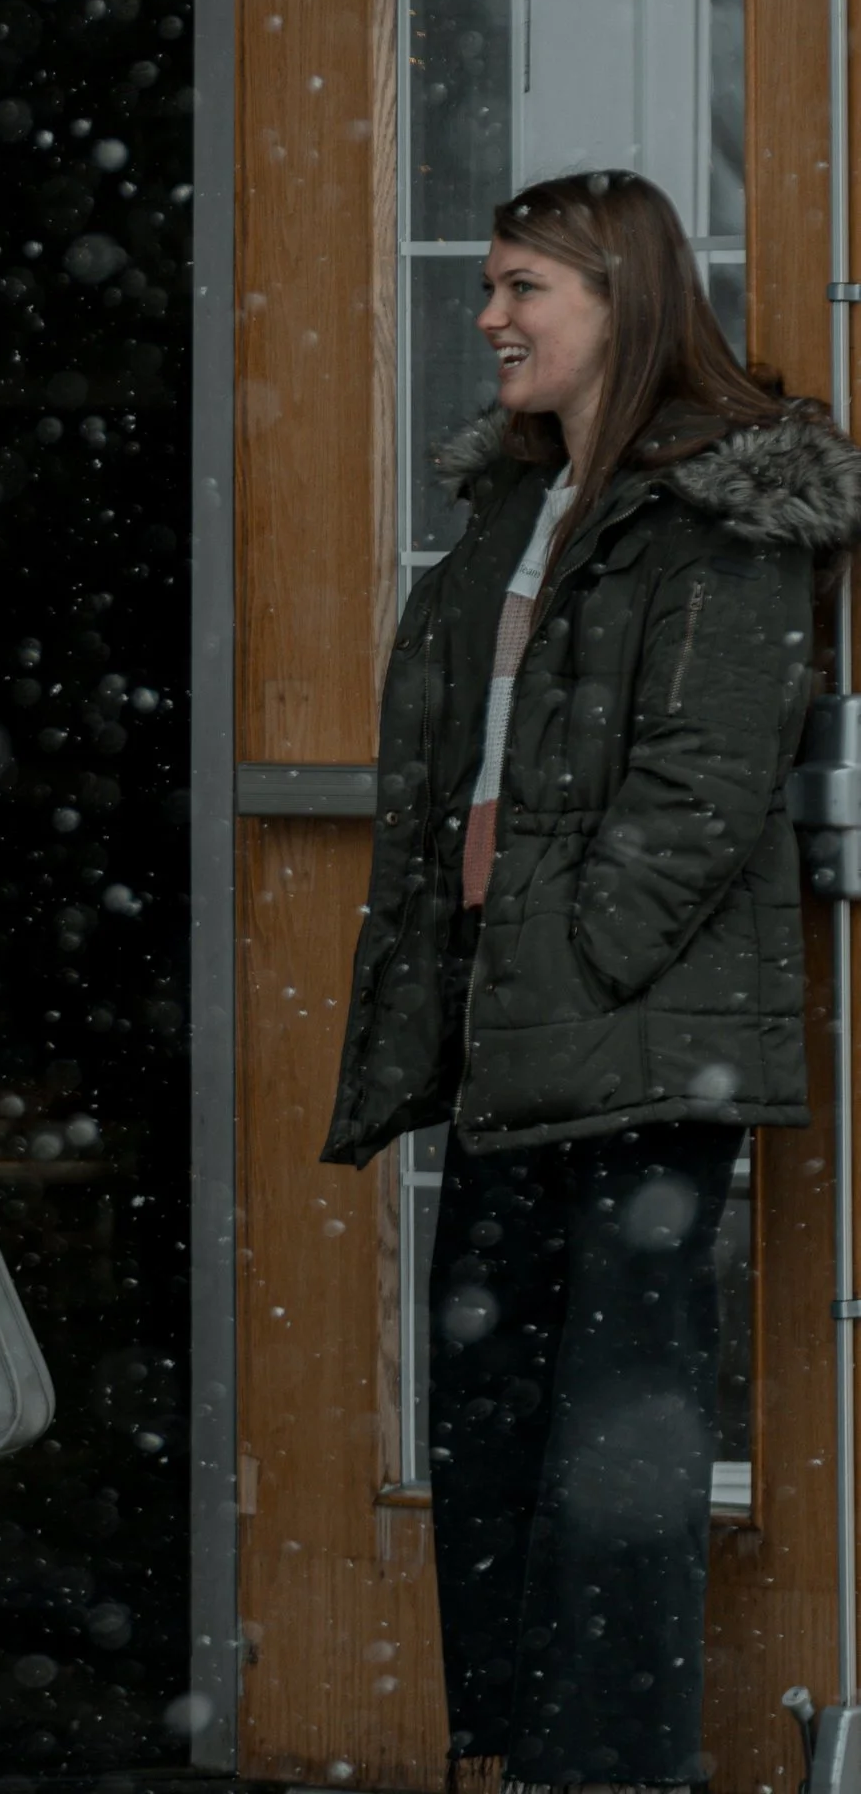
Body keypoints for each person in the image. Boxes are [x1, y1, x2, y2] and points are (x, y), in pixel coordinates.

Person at [325, 169, 861, 1790]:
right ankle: (521, 1748)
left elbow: (704, 786)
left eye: (521, 290)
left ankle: (619, 1766)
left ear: (618, 305)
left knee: (618, 1446)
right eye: (487, 285)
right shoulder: (521, 498)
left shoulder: (714, 508)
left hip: (630, 1037)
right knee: (491, 1413)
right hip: (514, 1020)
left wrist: (574, 955)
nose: (486, 317)